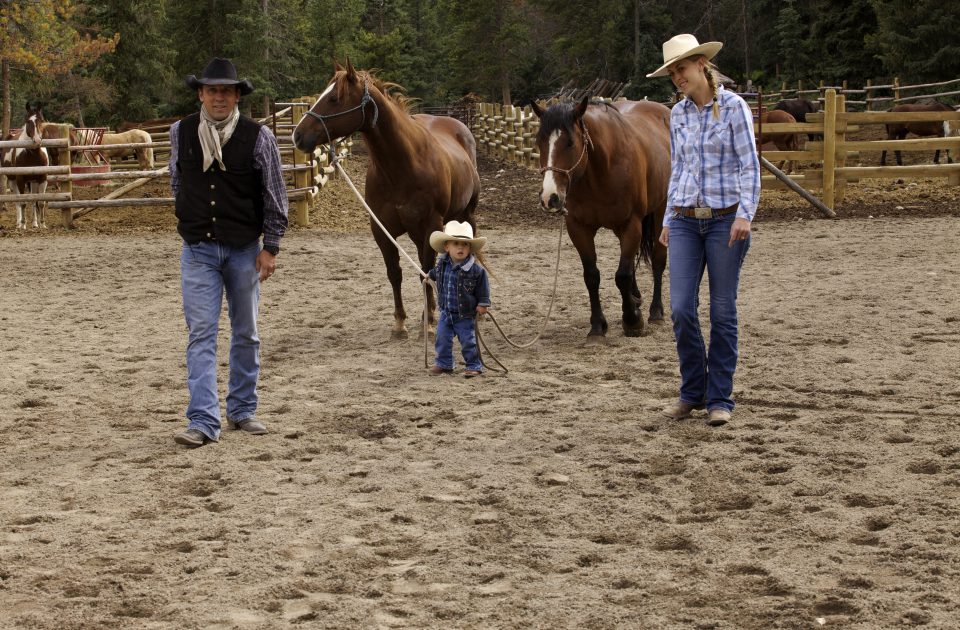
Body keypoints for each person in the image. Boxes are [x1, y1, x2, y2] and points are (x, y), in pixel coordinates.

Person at [171, 58, 289, 447]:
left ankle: (242, 409)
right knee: (200, 333)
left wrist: (270, 246)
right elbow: (177, 181)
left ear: (237, 95)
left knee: (246, 333)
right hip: (198, 249)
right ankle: (204, 420)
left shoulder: (259, 137)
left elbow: (275, 195)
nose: (219, 96)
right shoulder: (181, 132)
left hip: (243, 250)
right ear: (201, 94)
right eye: (212, 90)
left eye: (226, 90)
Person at [646, 34, 760, 426]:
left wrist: (746, 213)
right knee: (680, 309)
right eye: (672, 72)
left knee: (723, 310)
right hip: (682, 219)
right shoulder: (677, 114)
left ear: (701, 64)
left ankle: (719, 398)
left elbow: (749, 166)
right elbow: (677, 169)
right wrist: (666, 219)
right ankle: (692, 391)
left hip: (726, 219)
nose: (677, 77)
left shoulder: (734, 107)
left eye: (681, 68)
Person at [427, 221, 491, 378]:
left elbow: (483, 288)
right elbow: (436, 273)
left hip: (465, 314)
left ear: (470, 248)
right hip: (446, 312)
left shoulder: (476, 271)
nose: (461, 248)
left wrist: (483, 304)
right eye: (456, 244)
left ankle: (473, 365)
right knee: (441, 338)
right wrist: (429, 276)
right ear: (447, 247)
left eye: (465, 244)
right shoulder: (442, 265)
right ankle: (444, 364)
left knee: (468, 341)